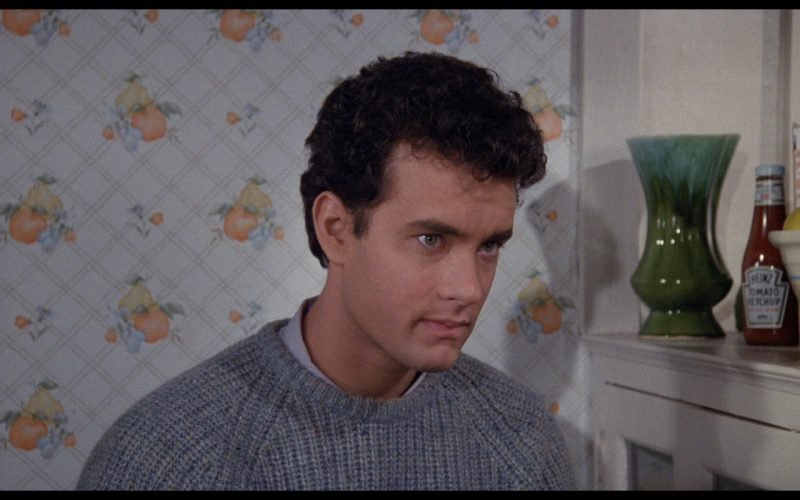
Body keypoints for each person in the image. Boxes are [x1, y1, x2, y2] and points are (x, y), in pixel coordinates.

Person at [76, 51, 576, 490]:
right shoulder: (165, 457)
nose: (468, 289)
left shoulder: (521, 440)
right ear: (336, 229)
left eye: (489, 246)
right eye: (431, 239)